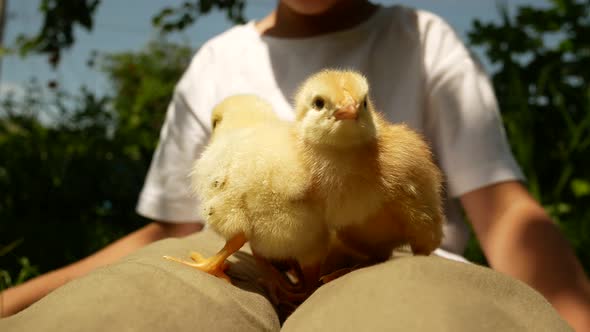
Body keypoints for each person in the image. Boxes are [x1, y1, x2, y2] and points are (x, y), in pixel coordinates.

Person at [1, 0, 589, 330]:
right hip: (232, 257)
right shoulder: (217, 61)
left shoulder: (421, 39)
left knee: (420, 315)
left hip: (388, 260)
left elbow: (506, 212)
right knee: (127, 312)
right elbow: (169, 231)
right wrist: (14, 303)